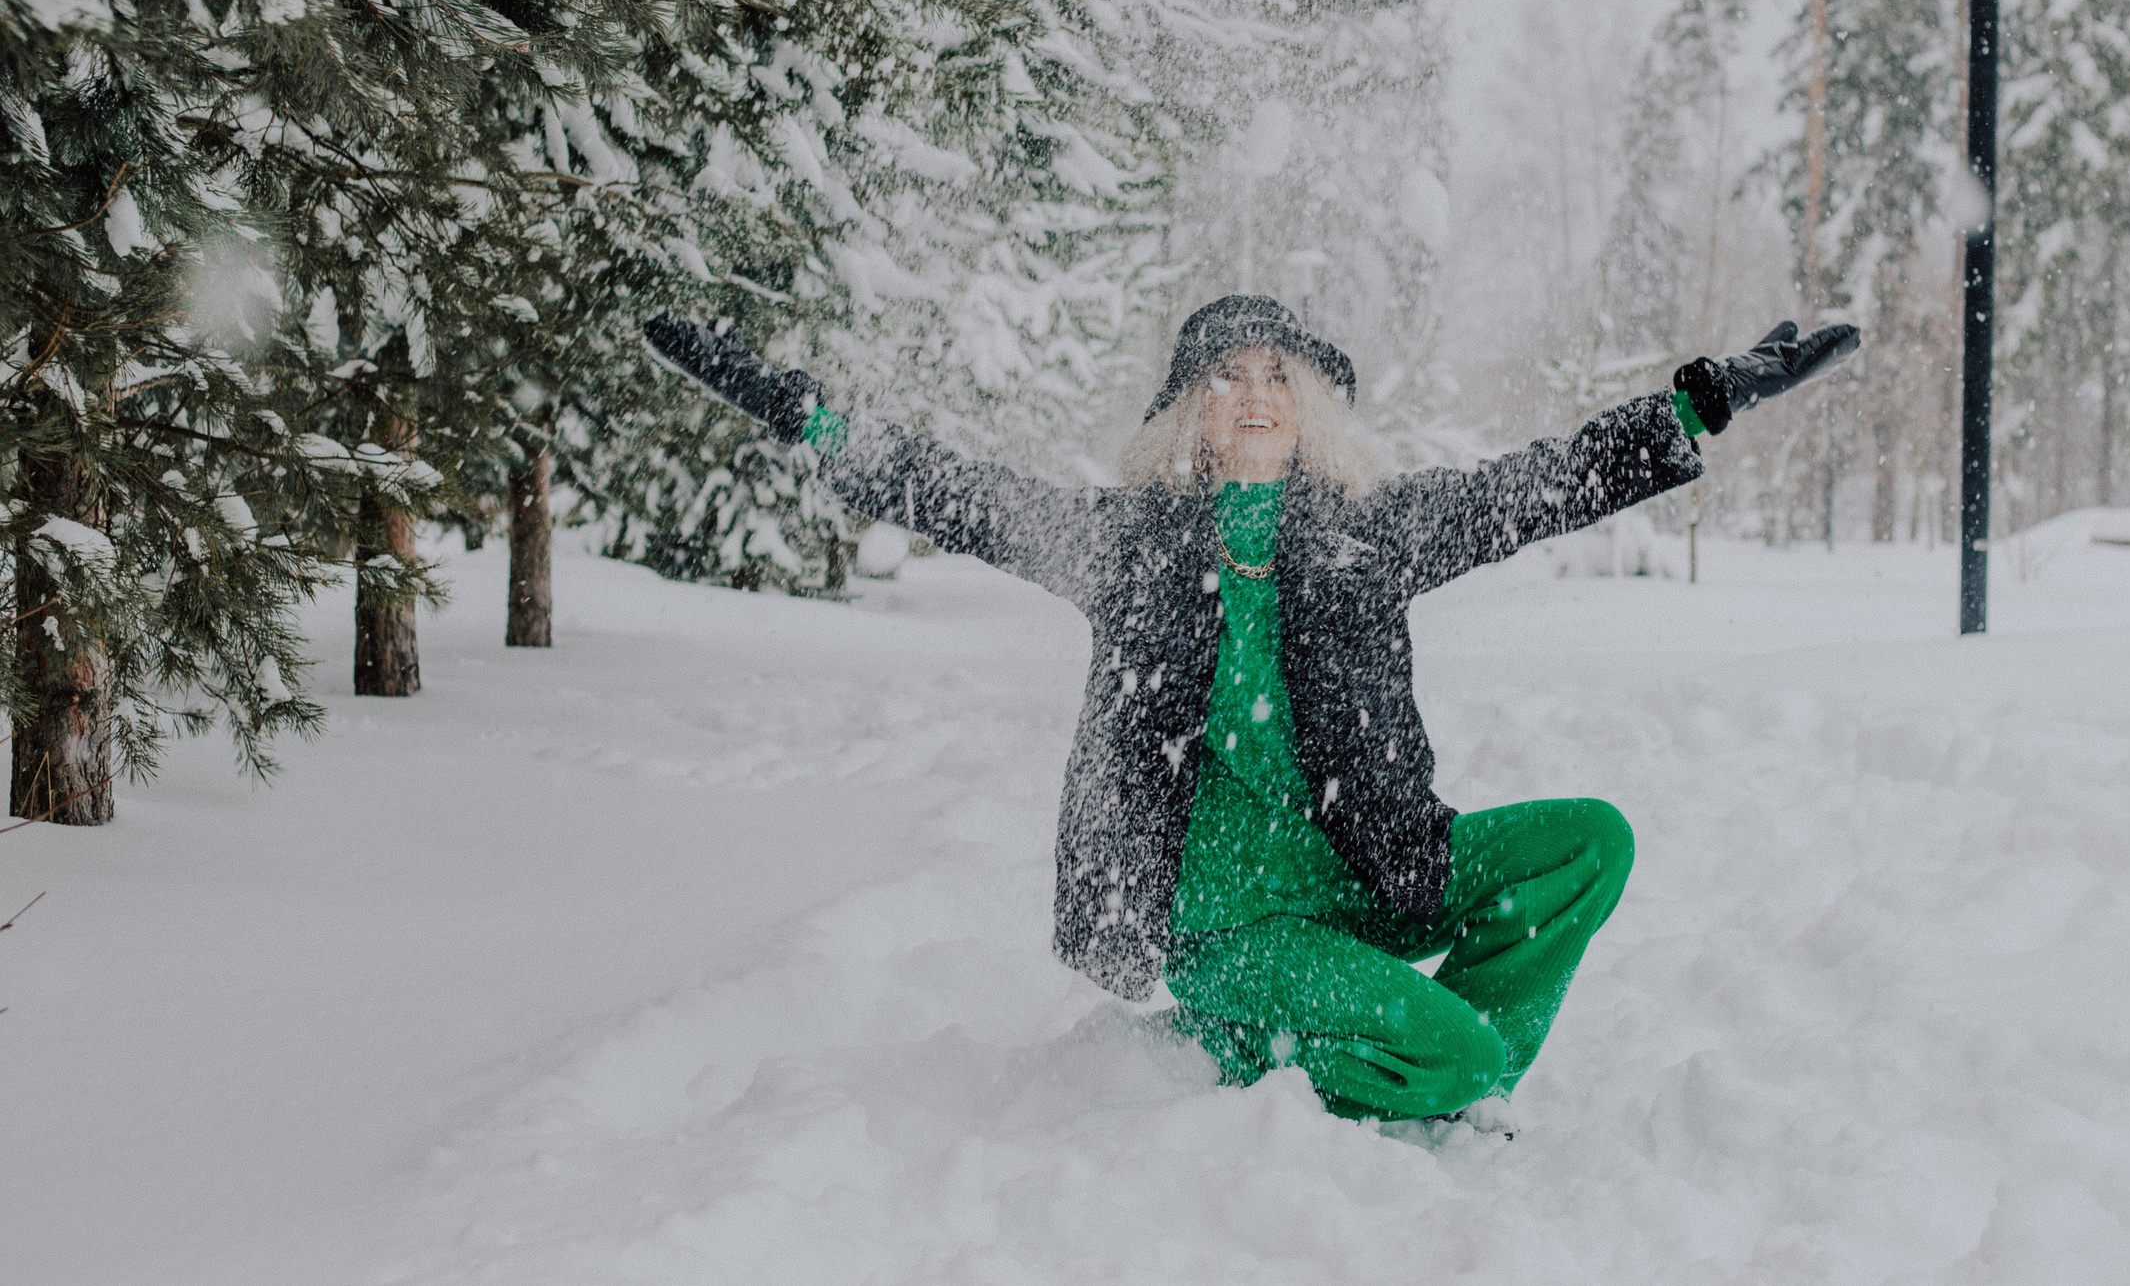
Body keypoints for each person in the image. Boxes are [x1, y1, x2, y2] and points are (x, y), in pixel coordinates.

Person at [643, 296, 1857, 1127]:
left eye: (1279, 373)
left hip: (1363, 873)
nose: (1257, 391)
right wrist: (805, 417)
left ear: (1311, 402)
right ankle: (1305, 1051)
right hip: (1225, 921)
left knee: (1589, 842)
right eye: (1229, 375)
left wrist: (1699, 406)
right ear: (1192, 407)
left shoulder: (1371, 530)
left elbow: (1539, 486)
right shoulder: (1128, 545)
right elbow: (958, 495)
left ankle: (1428, 1071)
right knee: (1459, 1050)